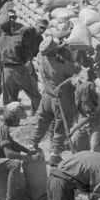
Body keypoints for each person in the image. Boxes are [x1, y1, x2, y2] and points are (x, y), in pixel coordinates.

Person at [27, 37, 81, 167]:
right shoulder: (60, 64)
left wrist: (60, 46)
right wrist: (77, 56)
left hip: (46, 97)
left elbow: (51, 52)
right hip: (59, 99)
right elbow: (76, 69)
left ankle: (31, 145)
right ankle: (55, 155)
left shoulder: (41, 57)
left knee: (41, 122)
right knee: (61, 125)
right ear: (53, 51)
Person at [0, 13, 42, 112]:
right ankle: (42, 117)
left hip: (6, 71)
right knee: (34, 94)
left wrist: (4, 69)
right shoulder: (19, 39)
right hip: (19, 69)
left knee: (11, 100)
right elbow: (28, 55)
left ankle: (11, 120)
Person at [69, 80, 100, 154]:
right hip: (81, 120)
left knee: (94, 146)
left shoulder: (98, 100)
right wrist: (73, 124)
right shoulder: (78, 96)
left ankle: (97, 162)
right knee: (75, 141)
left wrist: (74, 129)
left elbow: (88, 118)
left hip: (96, 122)